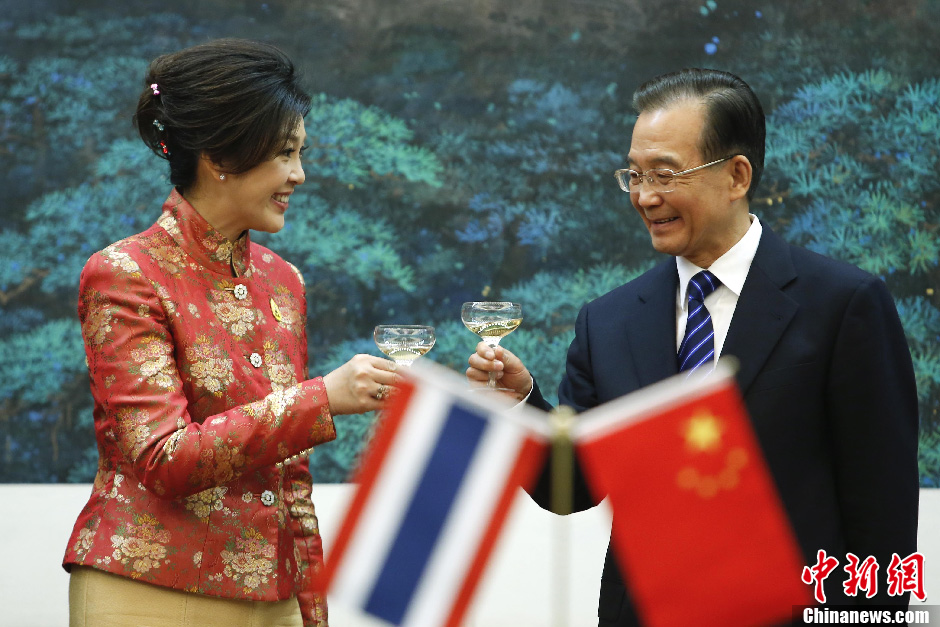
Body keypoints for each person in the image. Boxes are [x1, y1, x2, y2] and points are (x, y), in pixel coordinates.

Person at [468, 68, 920, 625]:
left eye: (665, 173)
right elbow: (573, 488)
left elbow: (882, 511)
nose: (644, 195)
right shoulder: (607, 322)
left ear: (736, 175)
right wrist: (519, 404)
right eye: (632, 175)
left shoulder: (844, 305)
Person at [62, 39, 399, 627]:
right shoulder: (123, 273)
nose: (300, 174)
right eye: (286, 154)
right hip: (149, 592)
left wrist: (310, 609)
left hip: (274, 598)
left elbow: (289, 478)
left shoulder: (282, 280)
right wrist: (323, 398)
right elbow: (163, 457)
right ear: (222, 157)